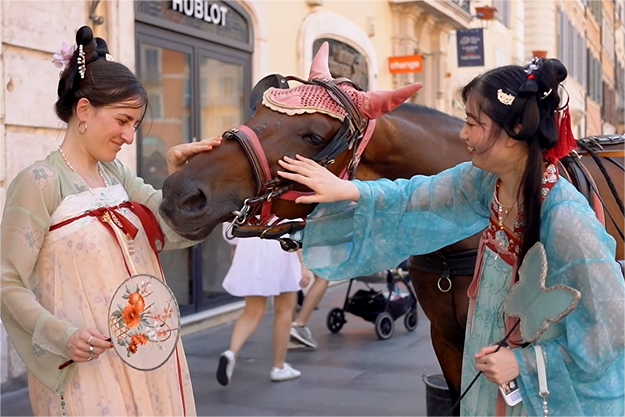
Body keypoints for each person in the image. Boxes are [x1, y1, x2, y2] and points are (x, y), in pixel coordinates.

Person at [277, 58, 625, 416]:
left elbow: (613, 326)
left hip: (549, 396)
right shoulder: (486, 182)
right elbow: (419, 195)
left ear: (516, 129)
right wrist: (347, 191)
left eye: (474, 124)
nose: (463, 135)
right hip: (494, 377)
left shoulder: (567, 219)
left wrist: (525, 363)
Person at [0, 26, 221, 417]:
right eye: (123, 121)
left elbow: (171, 231)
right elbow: (7, 281)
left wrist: (181, 178)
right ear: (84, 111)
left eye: (135, 125)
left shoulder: (118, 176)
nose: (129, 136)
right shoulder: (39, 183)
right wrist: (62, 336)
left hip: (146, 353)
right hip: (85, 365)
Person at [216, 224, 310, 385]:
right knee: (285, 310)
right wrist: (303, 263)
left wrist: (234, 247)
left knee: (252, 312)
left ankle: (231, 353)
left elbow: (231, 221)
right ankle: (279, 367)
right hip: (281, 245)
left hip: (249, 245)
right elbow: (295, 223)